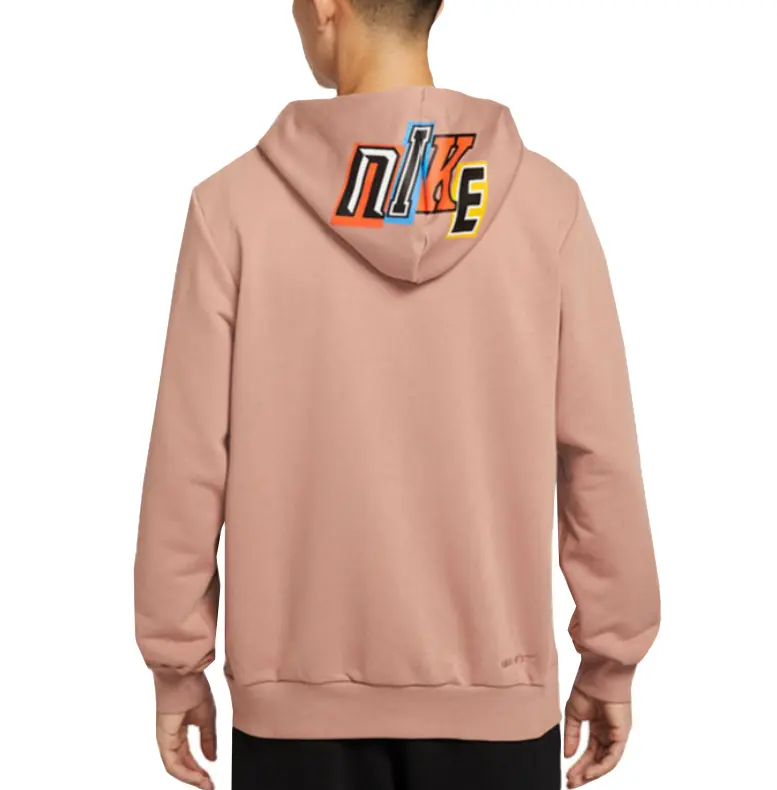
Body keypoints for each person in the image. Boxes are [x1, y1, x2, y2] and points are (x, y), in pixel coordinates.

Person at [133, 1, 661, 788]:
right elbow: (599, 451)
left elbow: (189, 458)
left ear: (327, 5)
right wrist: (611, 657)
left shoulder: (232, 211)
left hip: (294, 710)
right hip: (497, 705)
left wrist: (177, 665)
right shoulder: (545, 206)